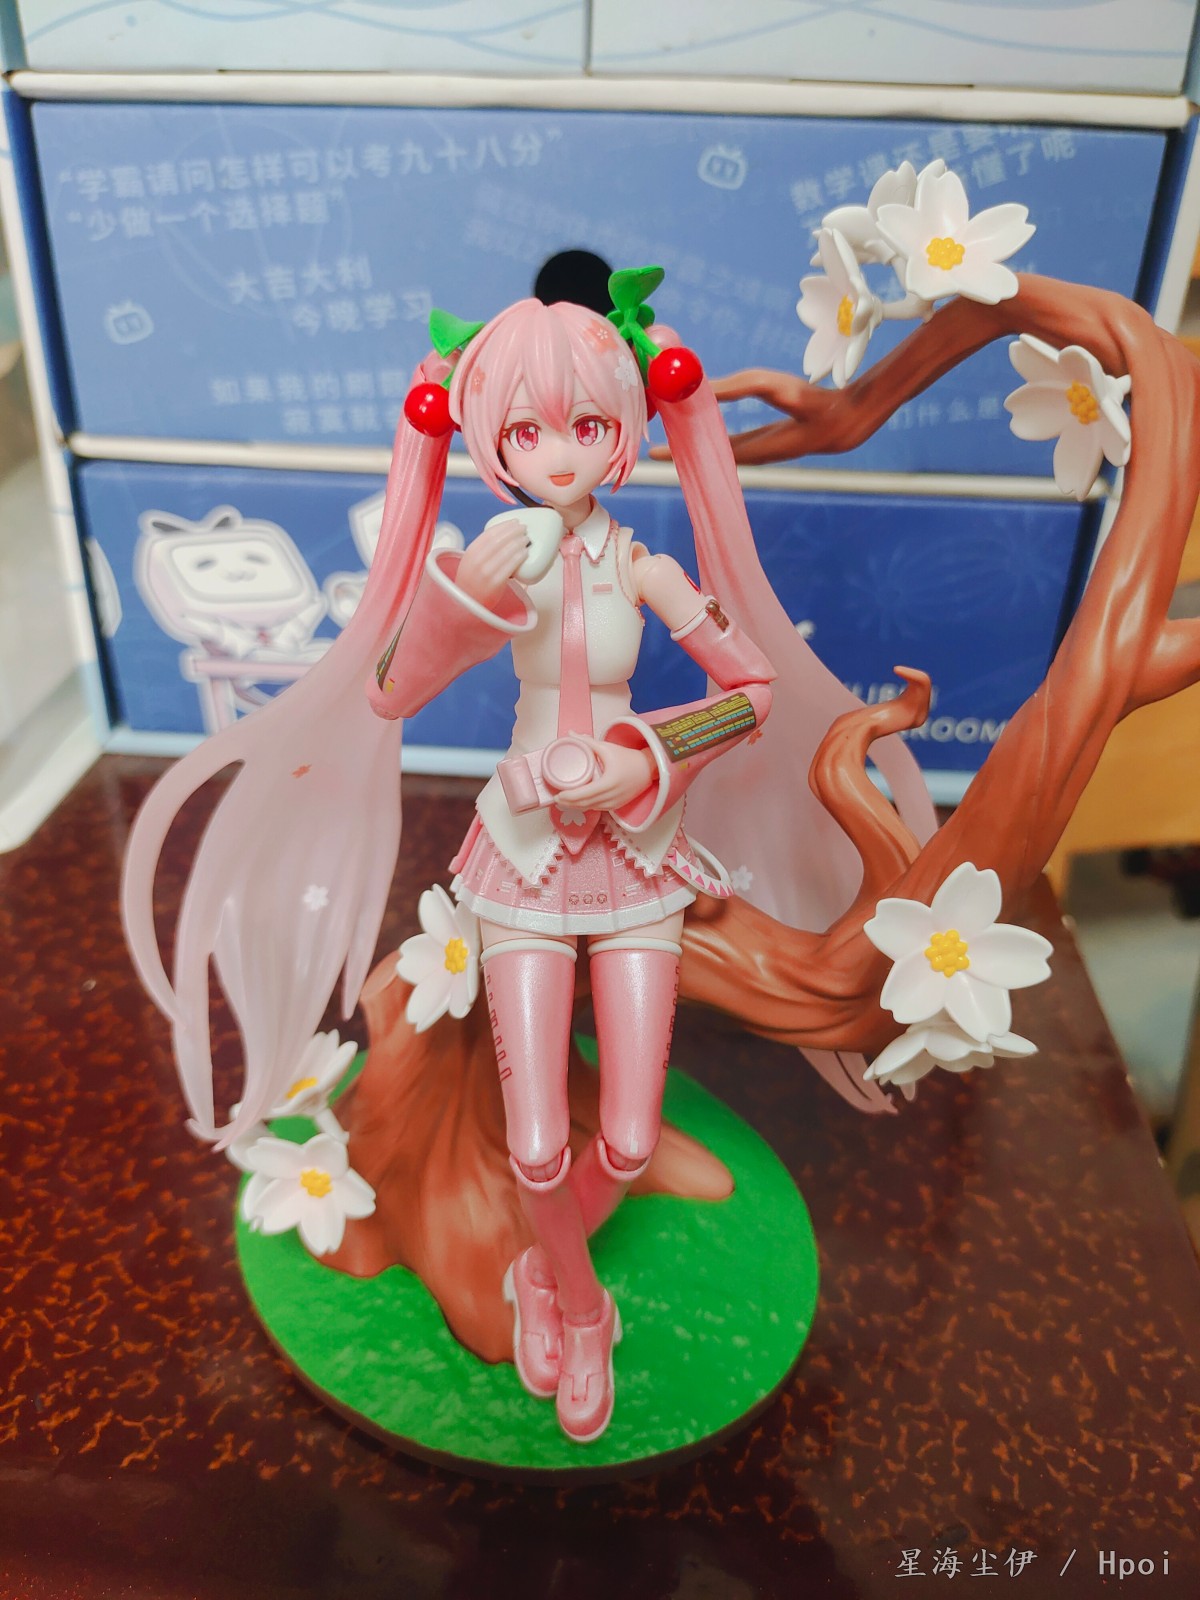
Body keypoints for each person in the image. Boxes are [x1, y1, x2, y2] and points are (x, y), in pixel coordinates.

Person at [121, 270, 936, 1446]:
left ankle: (549, 1269)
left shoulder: (644, 567)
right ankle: (578, 1301)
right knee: (540, 1142)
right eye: (526, 433)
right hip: (522, 857)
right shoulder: (498, 555)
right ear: (491, 443)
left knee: (630, 1138)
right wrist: (460, 602)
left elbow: (753, 691)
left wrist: (643, 756)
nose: (560, 455)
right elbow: (390, 688)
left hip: (639, 853)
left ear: (627, 427)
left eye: (587, 426)